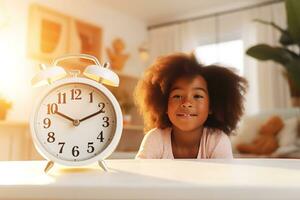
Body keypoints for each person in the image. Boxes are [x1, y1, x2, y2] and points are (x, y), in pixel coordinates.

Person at [134, 53, 247, 159]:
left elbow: (223, 178)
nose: (187, 103)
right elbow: (140, 176)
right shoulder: (155, 139)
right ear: (164, 105)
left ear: (211, 106)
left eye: (197, 96)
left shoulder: (217, 141)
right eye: (177, 96)